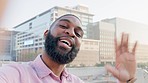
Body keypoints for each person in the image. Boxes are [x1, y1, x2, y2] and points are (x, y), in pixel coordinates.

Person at [0, 14, 137, 83]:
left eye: (78, 34)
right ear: (46, 34)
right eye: (64, 26)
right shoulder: (14, 74)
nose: (71, 33)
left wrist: (127, 81)